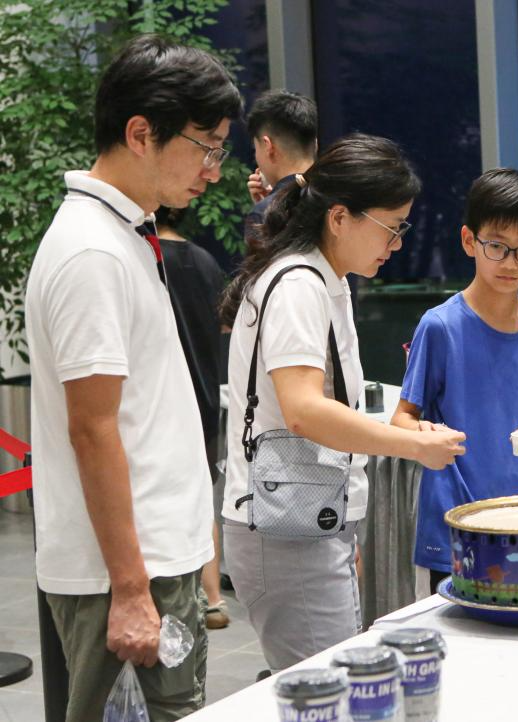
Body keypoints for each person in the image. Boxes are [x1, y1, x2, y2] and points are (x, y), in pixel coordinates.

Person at [25, 35, 242, 721]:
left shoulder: (125, 234)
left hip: (153, 561)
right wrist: (128, 589)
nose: (213, 172)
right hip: (125, 574)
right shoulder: (91, 251)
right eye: (206, 147)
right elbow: (92, 429)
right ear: (142, 133)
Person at [219, 133, 467, 671]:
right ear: (339, 217)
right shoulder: (299, 285)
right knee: (332, 692)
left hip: (305, 515)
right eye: (392, 226)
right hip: (285, 527)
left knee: (331, 686)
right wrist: (408, 445)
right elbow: (304, 411)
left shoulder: (322, 278)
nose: (396, 243)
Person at [391, 168, 518, 595]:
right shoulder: (439, 326)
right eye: (496, 246)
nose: (510, 263)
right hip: (454, 525)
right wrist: (425, 434)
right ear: (469, 241)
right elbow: (402, 419)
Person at [155, 205, 230, 630]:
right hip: (205, 394)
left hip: (163, 400)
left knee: (162, 500)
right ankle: (214, 599)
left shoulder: (144, 255)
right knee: (202, 499)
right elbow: (224, 324)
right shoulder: (204, 261)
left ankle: (174, 597)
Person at [243, 89, 318, 249]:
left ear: (268, 146)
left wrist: (268, 207)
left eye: (256, 149)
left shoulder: (264, 215)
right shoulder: (339, 197)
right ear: (315, 145)